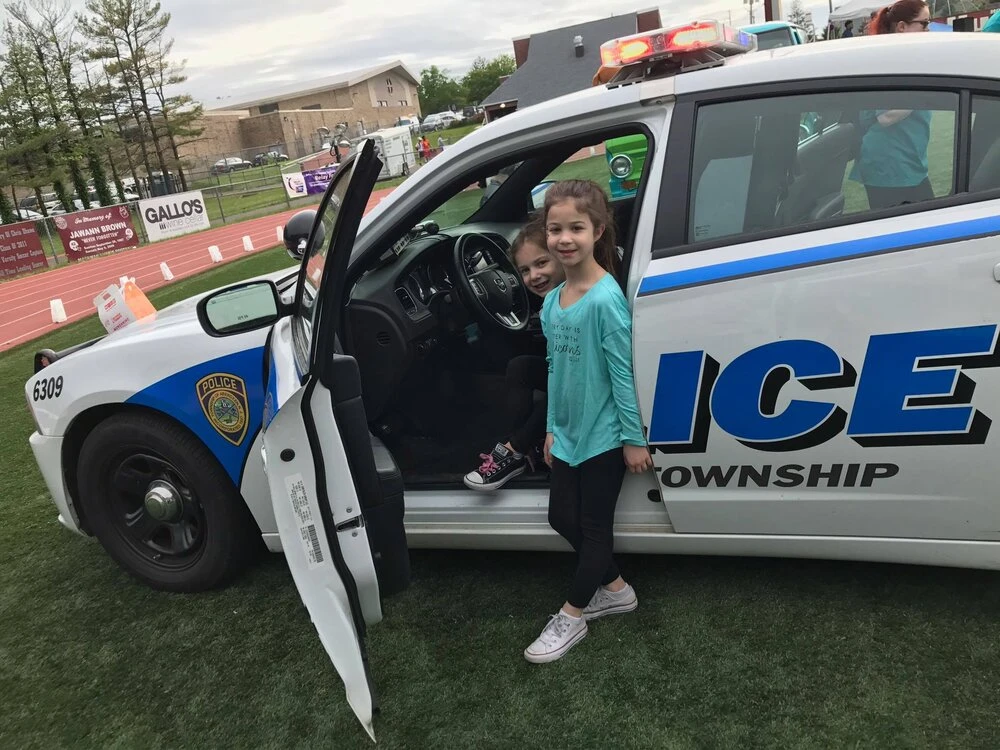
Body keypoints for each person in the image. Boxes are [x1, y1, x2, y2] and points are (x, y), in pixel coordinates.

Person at [523, 180, 652, 664]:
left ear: (597, 231)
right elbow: (557, 370)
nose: (563, 239)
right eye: (554, 229)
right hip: (571, 434)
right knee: (562, 517)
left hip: (604, 436)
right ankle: (616, 588)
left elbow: (622, 374)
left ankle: (572, 615)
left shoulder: (605, 300)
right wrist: (553, 427)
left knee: (594, 530)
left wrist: (633, 439)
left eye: (575, 228)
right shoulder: (553, 302)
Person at [464, 220, 564, 491]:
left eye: (542, 264)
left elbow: (567, 381)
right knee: (521, 367)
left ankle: (512, 450)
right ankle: (520, 448)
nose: (534, 276)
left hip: (585, 386)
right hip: (569, 377)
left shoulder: (573, 304)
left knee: (556, 394)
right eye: (525, 270)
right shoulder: (552, 303)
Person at [850, 0, 933, 210]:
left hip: (907, 164)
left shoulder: (904, 60)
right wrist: (925, 94)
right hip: (890, 167)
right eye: (924, 24)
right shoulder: (888, 62)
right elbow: (885, 116)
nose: (929, 29)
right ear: (902, 27)